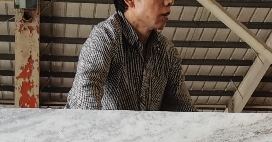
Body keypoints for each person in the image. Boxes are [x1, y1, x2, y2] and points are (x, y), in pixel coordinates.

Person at [65, 0, 195, 112]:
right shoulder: (106, 35)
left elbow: (183, 109)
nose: (170, 1)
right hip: (104, 132)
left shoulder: (167, 51)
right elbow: (85, 93)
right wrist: (96, 131)